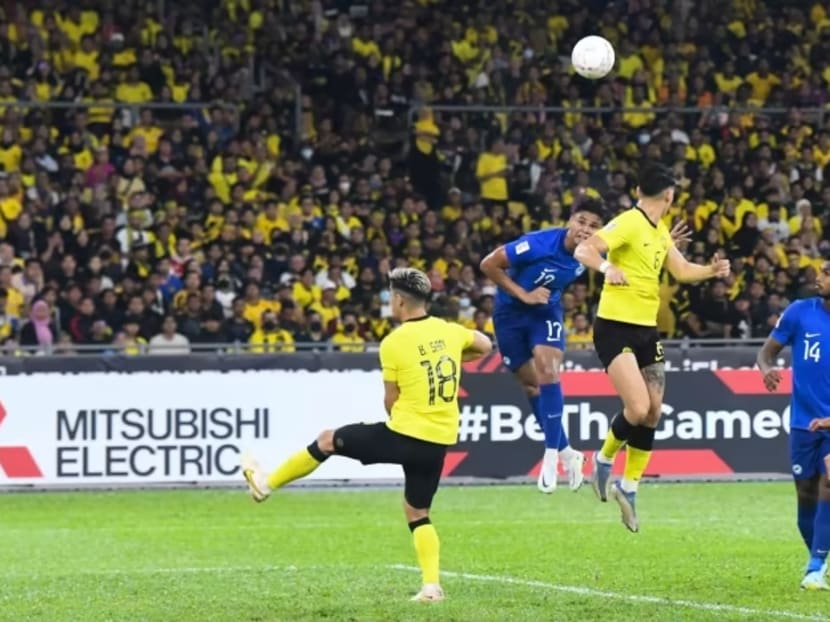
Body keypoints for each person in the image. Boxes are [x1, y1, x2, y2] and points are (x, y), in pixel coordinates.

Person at [241, 267, 493, 602]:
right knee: (418, 512)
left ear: (400, 301)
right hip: (439, 442)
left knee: (328, 440)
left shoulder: (395, 342)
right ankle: (431, 587)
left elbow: (391, 400)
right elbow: (486, 345)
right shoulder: (450, 332)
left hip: (404, 435)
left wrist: (398, 427)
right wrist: (452, 356)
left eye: (391, 296)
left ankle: (265, 485)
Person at [574, 163, 730, 532]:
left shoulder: (659, 232)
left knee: (654, 411)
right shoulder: (628, 222)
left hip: (647, 331)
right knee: (638, 406)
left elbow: (681, 271)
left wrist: (711, 271)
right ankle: (604, 458)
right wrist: (607, 266)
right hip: (614, 327)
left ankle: (629, 487)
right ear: (670, 196)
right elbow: (585, 249)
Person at [480, 199, 607, 493]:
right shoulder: (536, 244)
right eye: (581, 221)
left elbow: (630, 246)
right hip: (510, 314)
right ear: (570, 221)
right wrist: (523, 294)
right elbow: (489, 264)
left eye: (593, 225)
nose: (586, 230)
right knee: (530, 385)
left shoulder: (596, 248)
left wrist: (666, 246)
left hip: (545, 312)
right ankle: (568, 453)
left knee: (548, 371)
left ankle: (550, 456)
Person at [757, 259, 830, 591]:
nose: (819, 277)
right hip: (804, 422)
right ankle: (819, 556)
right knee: (806, 495)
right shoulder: (800, 311)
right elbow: (766, 353)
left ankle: (815, 566)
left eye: (827, 273)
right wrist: (766, 369)